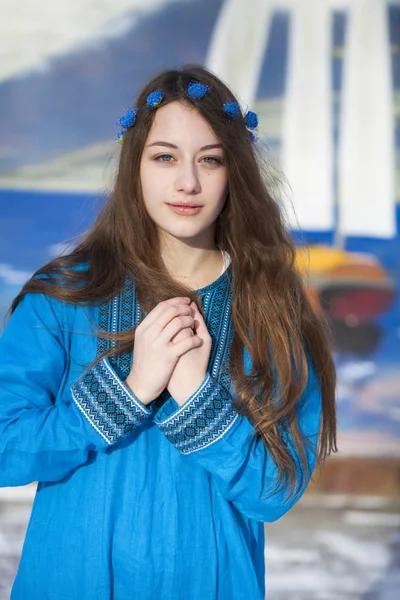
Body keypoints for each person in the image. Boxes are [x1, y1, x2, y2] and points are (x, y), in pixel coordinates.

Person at [0, 65, 337, 599]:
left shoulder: (273, 308)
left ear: (235, 172)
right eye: (165, 157)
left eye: (210, 159)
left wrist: (196, 397)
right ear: (135, 165)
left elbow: (277, 490)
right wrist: (127, 392)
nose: (188, 182)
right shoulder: (65, 294)